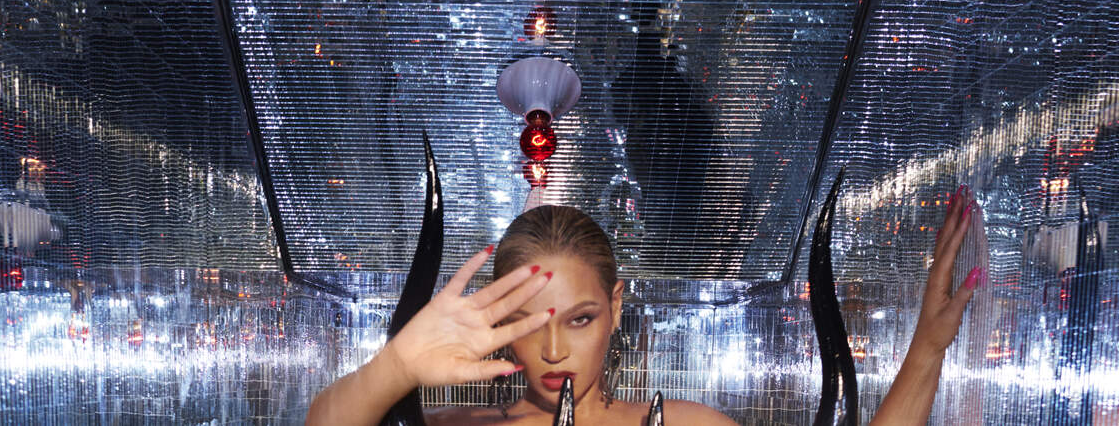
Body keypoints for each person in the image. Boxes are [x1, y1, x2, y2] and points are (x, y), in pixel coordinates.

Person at [307, 187, 982, 425]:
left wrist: (928, 347)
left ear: (615, 304)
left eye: (579, 318)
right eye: (528, 321)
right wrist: (398, 366)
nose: (553, 350)